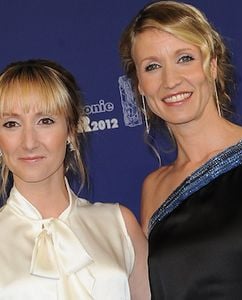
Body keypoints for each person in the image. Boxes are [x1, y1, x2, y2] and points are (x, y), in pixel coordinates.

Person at [119, 1, 242, 299]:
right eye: (153, 66)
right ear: (139, 85)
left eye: (185, 58)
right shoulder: (154, 188)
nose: (171, 80)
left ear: (212, 66)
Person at [0, 59, 150, 299]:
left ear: (70, 130)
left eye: (45, 121)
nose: (29, 142)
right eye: (11, 124)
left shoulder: (119, 224)